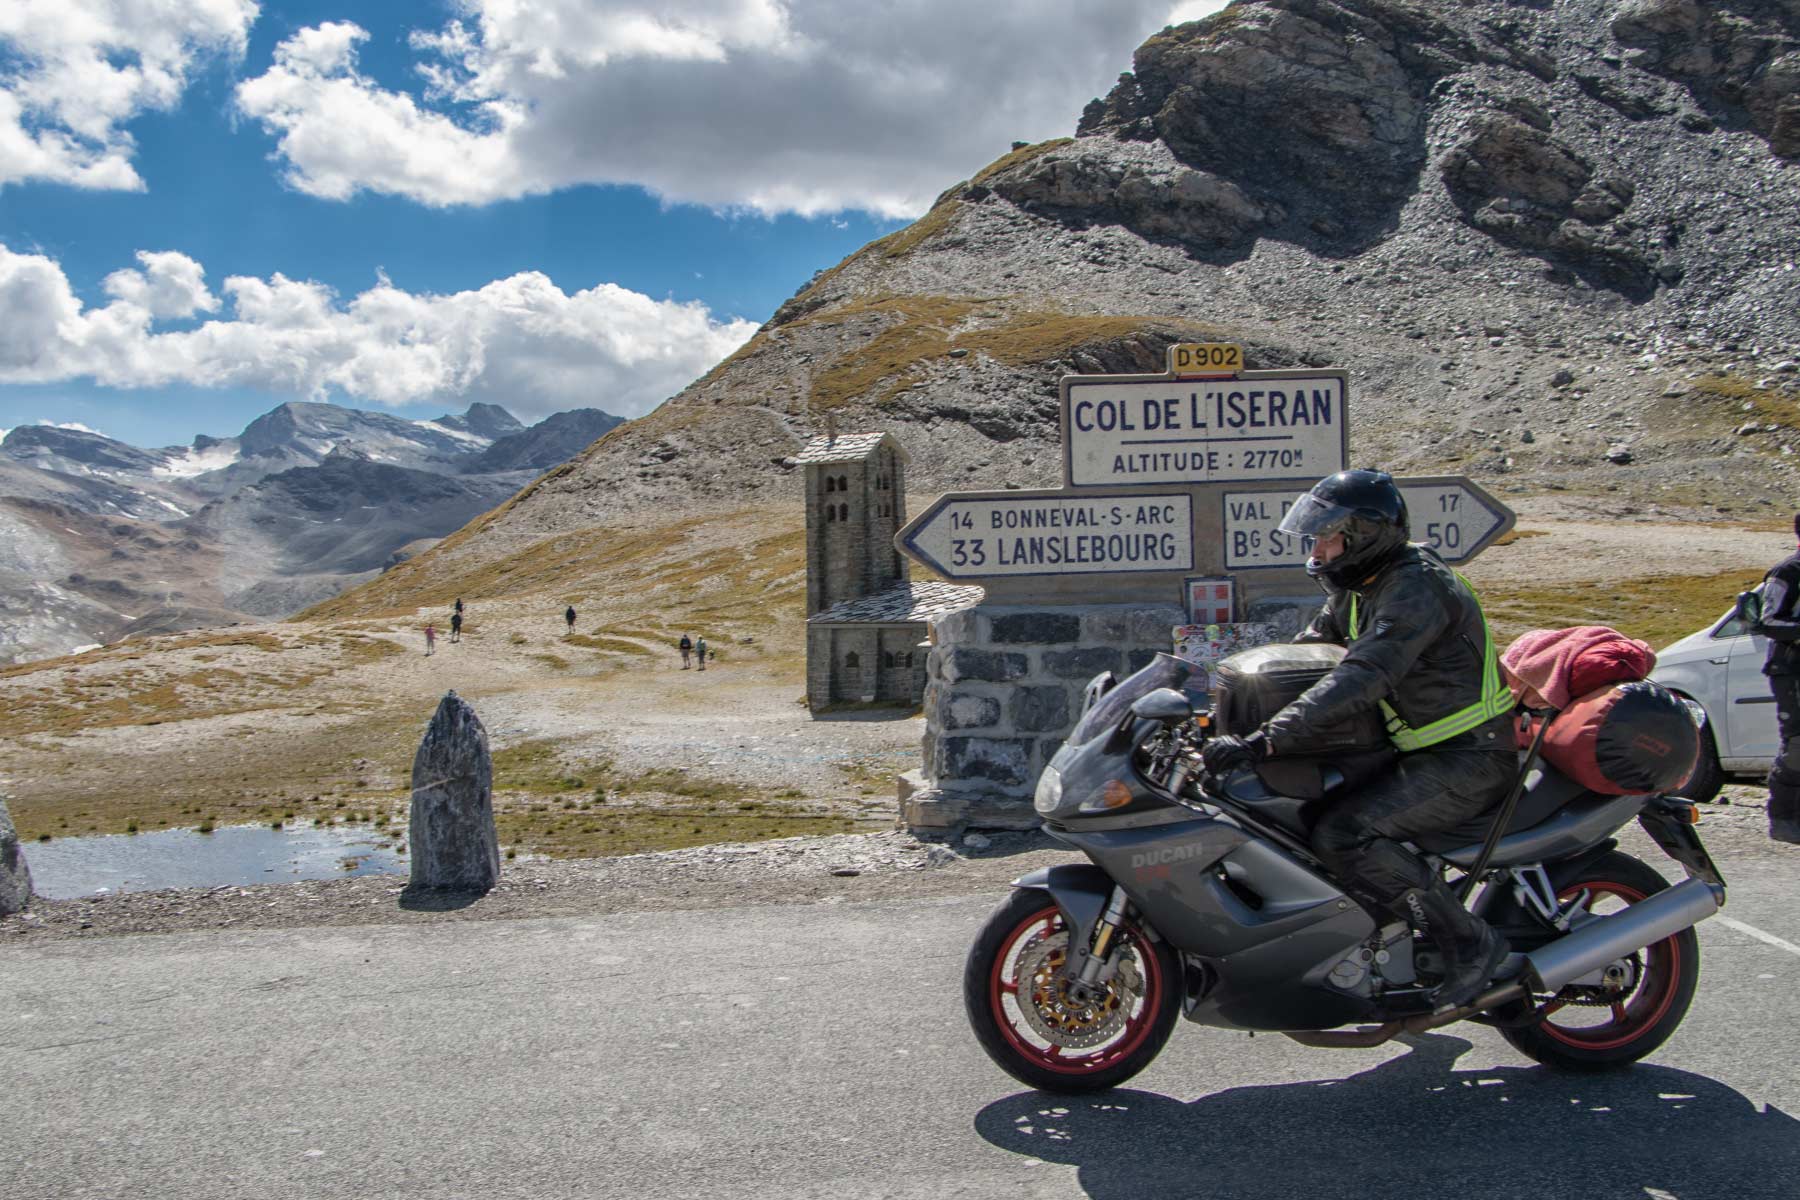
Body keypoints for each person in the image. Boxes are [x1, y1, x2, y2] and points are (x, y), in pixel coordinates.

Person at [1201, 470, 1517, 1009]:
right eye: (1316, 536)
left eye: (1328, 536)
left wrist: (1265, 741)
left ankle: (1470, 945)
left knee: (1346, 834)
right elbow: (1297, 663)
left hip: (1469, 757)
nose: (1318, 548)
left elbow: (1363, 675)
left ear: (1366, 534)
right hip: (1413, 753)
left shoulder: (1415, 588)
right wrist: (1208, 710)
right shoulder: (1356, 589)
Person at [1752, 512, 1800, 843]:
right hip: (1791, 670)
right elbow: (1767, 621)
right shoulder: (1788, 572)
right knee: (1798, 744)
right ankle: (1782, 817)